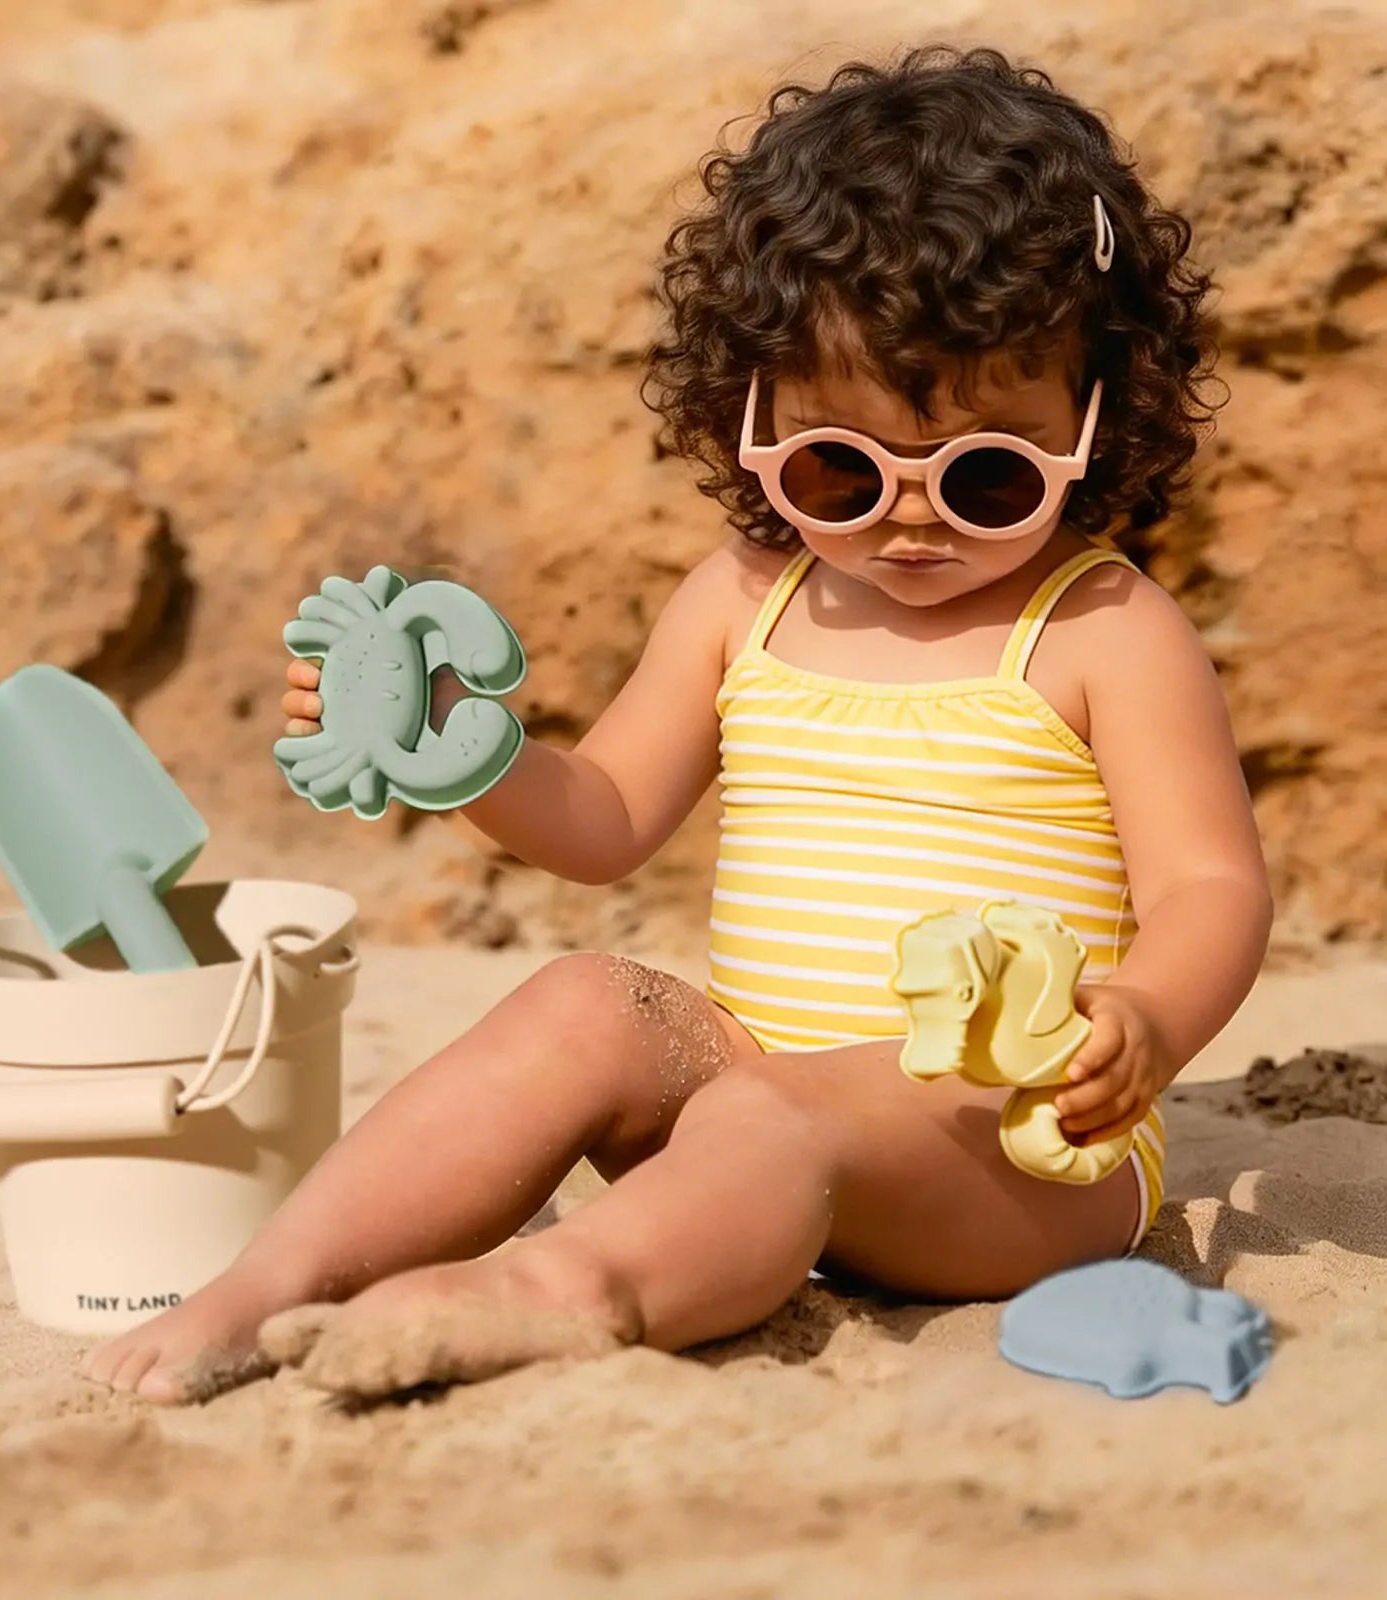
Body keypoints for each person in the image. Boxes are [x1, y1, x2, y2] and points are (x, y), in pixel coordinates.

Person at [85, 44, 1271, 1404]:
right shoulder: (742, 600)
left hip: (1017, 1155)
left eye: (988, 476)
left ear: (1098, 424)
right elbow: (601, 822)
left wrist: (1145, 1019)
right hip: (759, 1103)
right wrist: (465, 749)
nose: (910, 514)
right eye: (842, 466)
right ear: (752, 415)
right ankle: (270, 1284)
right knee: (590, 1002)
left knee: (776, 1116)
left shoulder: (1104, 629)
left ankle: (560, 1289)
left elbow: (1211, 885)